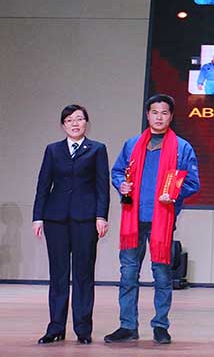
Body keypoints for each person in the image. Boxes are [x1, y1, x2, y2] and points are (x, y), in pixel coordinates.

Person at [104, 94, 200, 345]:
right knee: (128, 275)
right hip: (132, 219)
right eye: (154, 112)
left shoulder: (182, 147)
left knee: (162, 276)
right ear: (147, 115)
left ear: (171, 116)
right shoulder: (132, 145)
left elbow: (193, 183)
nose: (159, 117)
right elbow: (117, 172)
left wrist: (175, 193)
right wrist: (121, 184)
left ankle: (160, 326)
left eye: (164, 113)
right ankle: (127, 325)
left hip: (162, 221)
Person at [33, 105, 109, 345]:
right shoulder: (53, 150)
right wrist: (37, 217)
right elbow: (43, 184)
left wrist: (101, 216)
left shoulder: (97, 149)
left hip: (85, 219)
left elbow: (102, 186)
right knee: (58, 274)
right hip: (55, 218)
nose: (74, 124)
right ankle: (55, 327)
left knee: (83, 274)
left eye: (79, 119)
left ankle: (83, 329)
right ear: (63, 125)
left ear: (86, 123)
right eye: (69, 120)